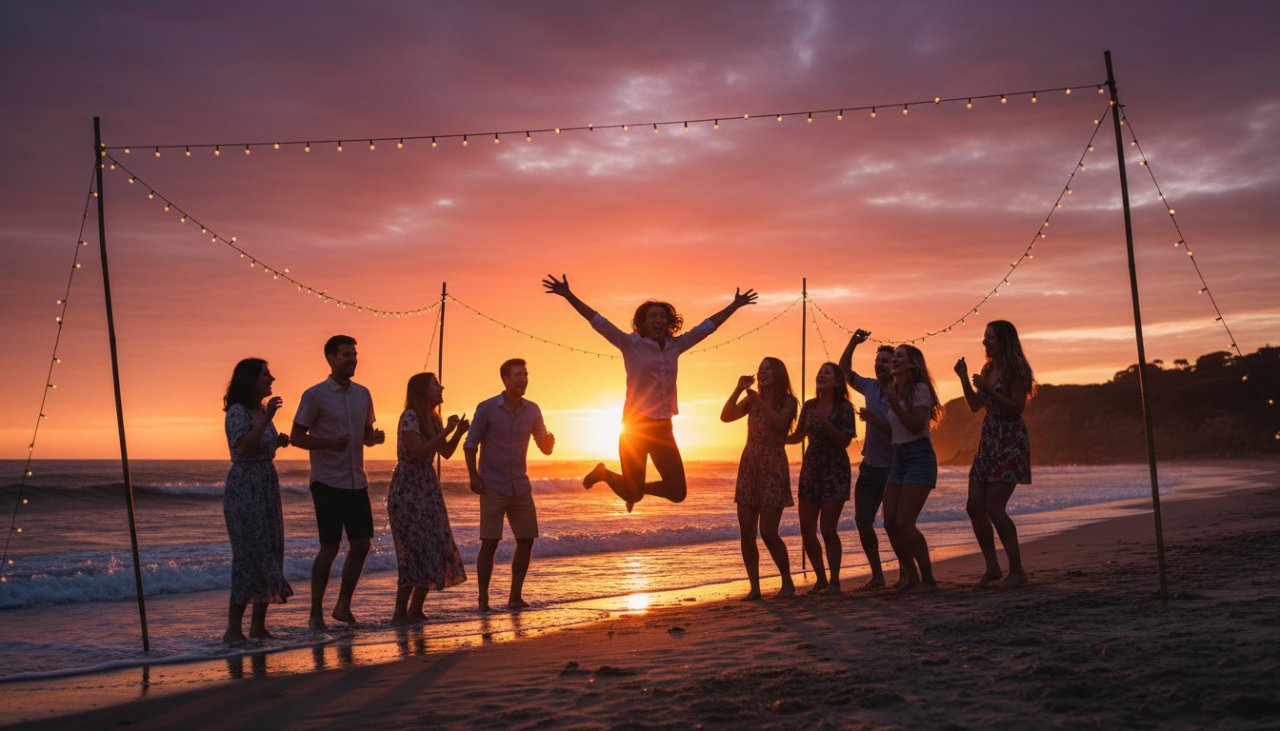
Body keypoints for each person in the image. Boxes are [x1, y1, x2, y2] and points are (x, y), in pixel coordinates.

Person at [542, 273, 756, 510]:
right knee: (633, 492)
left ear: (668, 321)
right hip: (635, 426)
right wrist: (568, 295)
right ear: (643, 322)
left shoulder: (677, 345)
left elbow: (708, 327)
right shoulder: (630, 344)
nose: (658, 319)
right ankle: (606, 475)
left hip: (663, 428)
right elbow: (597, 321)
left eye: (662, 316)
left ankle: (622, 483)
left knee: (677, 492)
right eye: (652, 316)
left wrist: (735, 305)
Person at [291, 335, 385, 630]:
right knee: (329, 547)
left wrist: (374, 439)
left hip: (357, 481)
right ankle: (315, 612)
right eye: (346, 355)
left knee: (361, 545)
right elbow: (296, 437)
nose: (353, 359)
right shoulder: (314, 395)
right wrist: (329, 442)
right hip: (327, 481)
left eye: (354, 355)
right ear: (330, 358)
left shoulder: (363, 394)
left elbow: (366, 435)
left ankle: (343, 605)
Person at [464, 358, 555, 612]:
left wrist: (549, 443)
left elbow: (544, 447)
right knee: (490, 543)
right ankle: (483, 599)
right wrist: (473, 477)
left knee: (526, 540)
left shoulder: (533, 410)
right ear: (505, 379)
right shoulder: (486, 409)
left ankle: (515, 596)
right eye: (517, 375)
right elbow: (470, 445)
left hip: (520, 486)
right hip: (492, 485)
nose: (522, 379)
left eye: (525, 374)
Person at [955, 320, 1036, 588]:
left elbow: (1016, 408)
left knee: (994, 507)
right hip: (988, 441)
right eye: (984, 337)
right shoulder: (989, 368)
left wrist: (989, 389)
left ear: (1004, 340)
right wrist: (964, 377)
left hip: (1009, 440)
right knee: (974, 505)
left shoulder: (1018, 369)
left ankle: (1017, 570)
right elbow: (975, 406)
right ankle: (992, 567)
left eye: (990, 338)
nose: (985, 342)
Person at [387, 372, 469, 626]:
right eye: (436, 384)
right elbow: (420, 451)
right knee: (414, 549)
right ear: (422, 390)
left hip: (427, 488)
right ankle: (400, 612)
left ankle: (416, 610)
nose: (441, 387)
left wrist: (456, 433)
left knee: (434, 544)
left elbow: (444, 452)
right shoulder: (410, 417)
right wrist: (446, 430)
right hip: (409, 490)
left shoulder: (433, 418)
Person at [221, 358, 293, 645]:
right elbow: (242, 447)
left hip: (266, 486)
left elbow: (261, 446)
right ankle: (233, 629)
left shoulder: (259, 410)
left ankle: (258, 626)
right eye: (265, 374)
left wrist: (278, 442)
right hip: (245, 488)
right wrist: (268, 420)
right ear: (251, 380)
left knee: (271, 551)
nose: (272, 378)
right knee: (249, 555)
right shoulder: (238, 412)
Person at [721, 357, 798, 600]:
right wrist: (738, 390)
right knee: (747, 531)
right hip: (749, 466)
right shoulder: (751, 400)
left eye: (768, 369)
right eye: (760, 369)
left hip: (773, 466)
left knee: (768, 531)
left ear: (778, 374)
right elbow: (725, 416)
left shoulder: (788, 401)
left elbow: (779, 424)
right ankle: (755, 588)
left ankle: (787, 582)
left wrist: (757, 400)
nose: (762, 372)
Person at [786, 362, 856, 594]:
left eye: (827, 373)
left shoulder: (844, 407)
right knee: (807, 527)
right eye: (820, 372)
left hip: (835, 468)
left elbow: (845, 440)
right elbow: (798, 436)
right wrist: (778, 437)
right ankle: (821, 579)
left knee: (827, 527)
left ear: (837, 382)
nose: (821, 375)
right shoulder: (809, 405)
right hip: (812, 466)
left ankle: (835, 581)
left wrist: (825, 423)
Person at [883, 344, 943, 593]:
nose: (894, 359)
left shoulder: (919, 389)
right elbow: (894, 429)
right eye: (893, 356)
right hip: (898, 457)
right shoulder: (893, 389)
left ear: (913, 364)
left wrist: (895, 404)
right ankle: (911, 577)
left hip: (919, 455)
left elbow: (918, 426)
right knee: (889, 522)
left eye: (900, 356)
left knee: (905, 522)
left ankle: (928, 579)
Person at [839, 329, 895, 590]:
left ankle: (907, 572)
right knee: (863, 522)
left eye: (885, 361)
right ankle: (877, 575)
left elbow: (900, 430)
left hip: (895, 468)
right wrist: (853, 342)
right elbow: (844, 371)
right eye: (878, 361)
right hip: (870, 466)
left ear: (895, 366)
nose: (879, 365)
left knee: (894, 524)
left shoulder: (901, 392)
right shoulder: (870, 386)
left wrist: (874, 420)